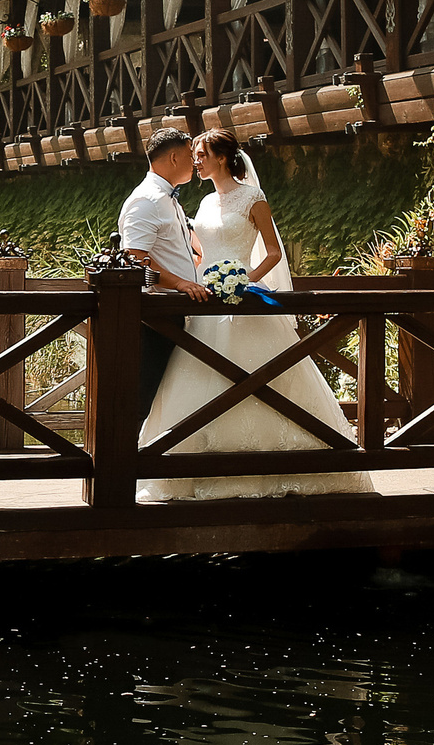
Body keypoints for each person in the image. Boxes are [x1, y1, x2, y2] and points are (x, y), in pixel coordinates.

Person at [137, 130, 374, 501]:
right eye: (194, 154)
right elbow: (200, 251)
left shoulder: (253, 198)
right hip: (206, 304)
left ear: (222, 158)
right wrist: (195, 279)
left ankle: (279, 463)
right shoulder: (204, 203)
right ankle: (189, 468)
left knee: (260, 377)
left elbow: (274, 253)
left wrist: (243, 279)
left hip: (243, 300)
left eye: (201, 154)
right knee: (203, 376)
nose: (196, 160)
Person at [117, 128, 210, 432]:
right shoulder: (146, 200)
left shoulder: (167, 199)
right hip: (156, 315)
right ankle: (127, 457)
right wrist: (180, 283)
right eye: (189, 155)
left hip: (177, 312)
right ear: (173, 157)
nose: (195, 162)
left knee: (166, 397)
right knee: (143, 396)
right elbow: (134, 258)